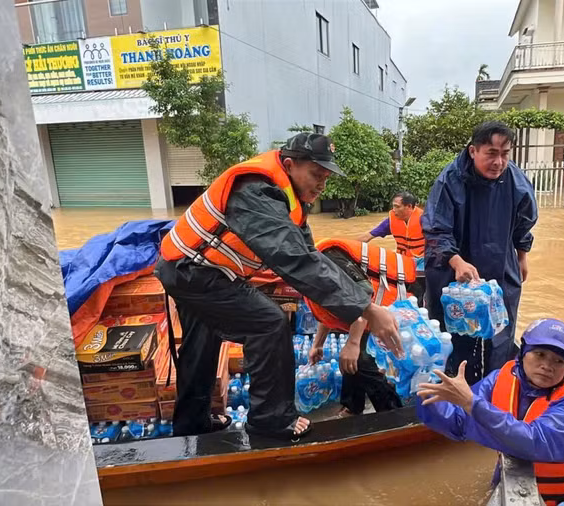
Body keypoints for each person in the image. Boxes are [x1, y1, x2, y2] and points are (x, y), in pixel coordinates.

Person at [155, 133, 402, 439]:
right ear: (289, 164)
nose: (322, 184)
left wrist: (353, 310)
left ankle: (192, 425)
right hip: (195, 271)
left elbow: (308, 256)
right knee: (269, 324)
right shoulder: (255, 190)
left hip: (192, 270)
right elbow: (294, 258)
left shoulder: (290, 198)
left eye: (326, 177)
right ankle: (270, 420)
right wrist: (365, 307)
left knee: (202, 344)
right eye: (316, 174)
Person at [417, 319, 564, 506]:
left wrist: (472, 403)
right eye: (540, 354)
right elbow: (458, 422)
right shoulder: (501, 378)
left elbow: (533, 442)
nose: (547, 366)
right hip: (516, 484)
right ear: (523, 353)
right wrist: (422, 387)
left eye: (559, 361)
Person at [422, 121, 538, 384]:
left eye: (505, 154)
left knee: (500, 335)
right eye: (491, 153)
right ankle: (462, 389)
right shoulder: (449, 180)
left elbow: (525, 221)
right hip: (452, 270)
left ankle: (495, 391)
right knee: (457, 336)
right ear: (473, 151)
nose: (498, 162)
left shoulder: (516, 181)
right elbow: (436, 229)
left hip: (501, 263)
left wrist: (522, 256)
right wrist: (456, 260)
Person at [305, 239, 415, 415]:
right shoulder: (308, 271)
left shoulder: (326, 261)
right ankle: (353, 406)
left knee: (363, 361)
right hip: (371, 310)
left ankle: (393, 414)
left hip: (393, 299)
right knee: (349, 358)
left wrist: (354, 342)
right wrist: (317, 344)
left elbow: (363, 294)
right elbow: (327, 305)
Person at [358, 191, 426, 301]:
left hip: (423, 263)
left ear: (409, 207)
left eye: (397, 207)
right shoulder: (391, 221)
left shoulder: (425, 220)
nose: (393, 210)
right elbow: (367, 236)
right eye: (393, 206)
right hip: (402, 261)